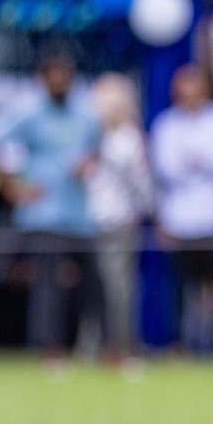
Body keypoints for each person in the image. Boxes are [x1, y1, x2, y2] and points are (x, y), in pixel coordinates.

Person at [0, 47, 100, 360]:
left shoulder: (84, 111)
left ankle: (110, 348)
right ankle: (49, 349)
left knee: (95, 284)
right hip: (44, 214)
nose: (59, 82)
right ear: (42, 80)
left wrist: (89, 162)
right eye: (53, 77)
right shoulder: (29, 110)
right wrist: (13, 188)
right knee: (50, 286)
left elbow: (96, 147)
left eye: (64, 76)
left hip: (79, 214)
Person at [152, 63, 213, 354]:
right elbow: (165, 168)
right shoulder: (166, 124)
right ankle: (178, 346)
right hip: (182, 221)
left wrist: (200, 159)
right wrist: (206, 160)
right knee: (180, 289)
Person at [84, 73, 152, 363]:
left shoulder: (97, 137)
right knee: (116, 290)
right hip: (112, 221)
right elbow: (141, 184)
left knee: (106, 289)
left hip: (100, 220)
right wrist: (150, 209)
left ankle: (104, 346)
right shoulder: (126, 138)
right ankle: (116, 346)